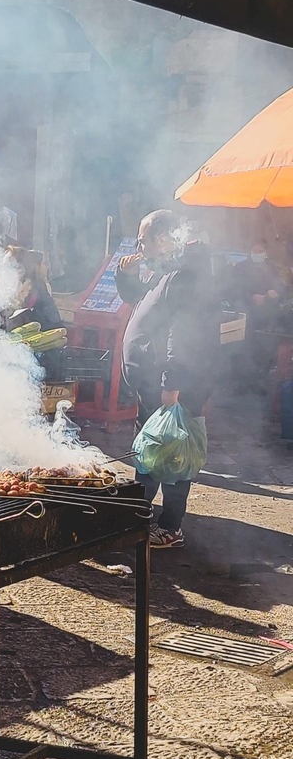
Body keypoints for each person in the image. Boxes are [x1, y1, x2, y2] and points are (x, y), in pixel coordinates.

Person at [116, 210, 220, 548]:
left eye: (143, 241)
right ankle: (137, 518)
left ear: (162, 240)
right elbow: (142, 303)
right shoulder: (165, 272)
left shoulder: (185, 275)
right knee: (150, 453)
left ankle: (171, 526)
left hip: (174, 388)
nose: (139, 247)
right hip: (153, 386)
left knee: (174, 456)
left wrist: (171, 384)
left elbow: (183, 335)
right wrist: (126, 278)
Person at [231, 239, 285, 392]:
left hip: (267, 315)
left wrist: (275, 292)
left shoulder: (271, 268)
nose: (258, 254)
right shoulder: (240, 268)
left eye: (261, 251)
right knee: (246, 349)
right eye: (255, 251)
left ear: (266, 253)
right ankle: (242, 383)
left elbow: (280, 286)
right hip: (247, 314)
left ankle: (259, 380)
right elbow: (235, 290)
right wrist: (252, 297)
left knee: (265, 350)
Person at [1, 246, 63, 332]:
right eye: (3, 267)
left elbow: (56, 329)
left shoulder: (41, 297)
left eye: (9, 267)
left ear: (22, 270)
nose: (3, 272)